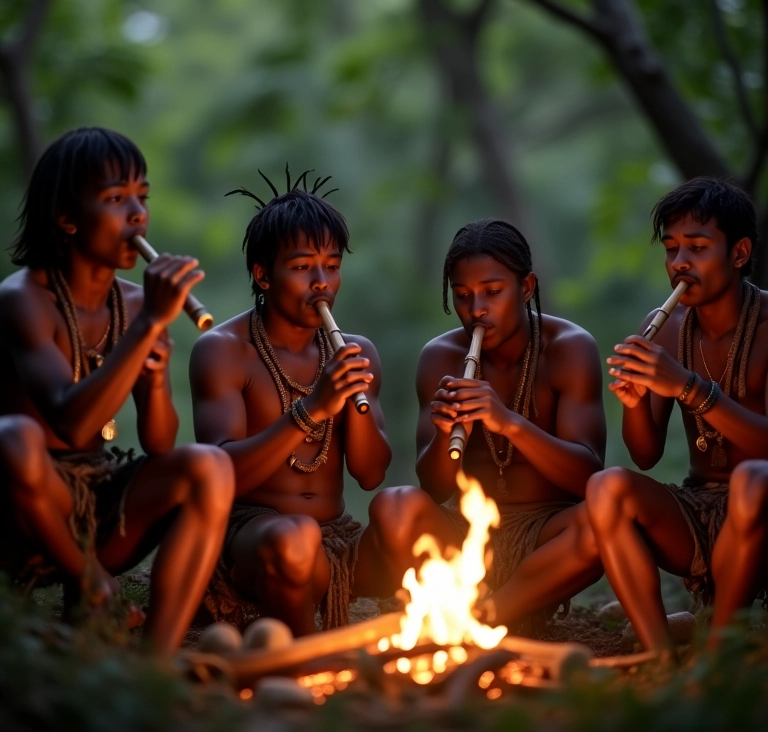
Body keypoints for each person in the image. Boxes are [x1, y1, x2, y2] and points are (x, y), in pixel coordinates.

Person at [0, 127, 235, 657]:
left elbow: (159, 442)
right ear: (67, 217)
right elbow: (72, 424)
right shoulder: (23, 299)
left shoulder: (134, 305)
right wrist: (147, 325)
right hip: (26, 513)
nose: (137, 215)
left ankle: (156, 665)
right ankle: (90, 585)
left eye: (141, 197)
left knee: (210, 466)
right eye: (115, 199)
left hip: (96, 504)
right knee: (13, 438)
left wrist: (156, 377)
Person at [190, 170, 399, 636]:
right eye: (303, 268)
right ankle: (304, 657)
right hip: (256, 538)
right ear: (263, 275)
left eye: (332, 265)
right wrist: (312, 410)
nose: (322, 283)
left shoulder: (355, 352)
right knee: (295, 536)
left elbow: (371, 475)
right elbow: (221, 476)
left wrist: (351, 401)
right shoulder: (223, 351)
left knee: (405, 508)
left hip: (336, 539)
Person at [587, 176, 768, 654]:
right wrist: (633, 403)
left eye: (698, 248)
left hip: (761, 505)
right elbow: (645, 455)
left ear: (739, 253)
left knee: (753, 480)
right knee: (607, 487)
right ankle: (658, 654)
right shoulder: (665, 328)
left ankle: (716, 654)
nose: (679, 263)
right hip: (699, 509)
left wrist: (688, 388)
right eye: (671, 249)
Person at [403, 218, 606, 632]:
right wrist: (445, 436)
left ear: (526, 287)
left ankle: (485, 618)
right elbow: (433, 489)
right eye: (463, 296)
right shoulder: (439, 357)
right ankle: (481, 607)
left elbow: (588, 477)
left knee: (604, 521)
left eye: (493, 292)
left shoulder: (569, 349)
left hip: (545, 537)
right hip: (463, 535)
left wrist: (509, 424)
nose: (476, 309)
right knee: (395, 506)